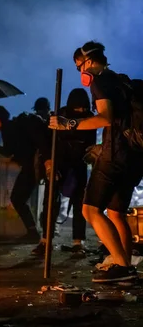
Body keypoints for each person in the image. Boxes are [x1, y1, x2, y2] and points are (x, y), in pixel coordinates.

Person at [49, 41, 141, 283]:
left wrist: (67, 123)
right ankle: (126, 264)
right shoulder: (122, 80)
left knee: (89, 210)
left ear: (87, 62)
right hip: (134, 157)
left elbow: (106, 118)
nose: (81, 73)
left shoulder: (100, 81)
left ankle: (121, 266)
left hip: (115, 156)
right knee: (116, 213)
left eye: (79, 67)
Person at [0, 106, 52, 246]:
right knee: (20, 198)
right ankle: (34, 232)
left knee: (17, 198)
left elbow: (8, 151)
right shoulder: (12, 126)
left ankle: (34, 233)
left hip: (31, 167)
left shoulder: (8, 128)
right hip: (33, 165)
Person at [55, 88, 97, 256]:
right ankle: (45, 238)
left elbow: (91, 141)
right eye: (77, 108)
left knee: (80, 203)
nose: (80, 111)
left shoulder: (90, 118)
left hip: (79, 164)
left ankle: (78, 241)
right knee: (51, 200)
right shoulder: (61, 115)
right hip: (60, 162)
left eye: (83, 108)